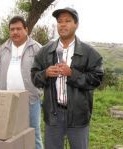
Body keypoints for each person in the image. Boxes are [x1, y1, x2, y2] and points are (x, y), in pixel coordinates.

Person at [31, 7, 104, 149]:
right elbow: (34, 77)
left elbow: (97, 79)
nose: (62, 24)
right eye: (59, 21)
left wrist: (72, 74)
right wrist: (45, 73)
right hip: (53, 114)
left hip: (78, 115)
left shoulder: (90, 53)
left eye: (67, 21)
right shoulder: (45, 51)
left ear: (76, 24)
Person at [0, 16, 43, 149]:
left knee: (34, 134)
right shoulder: (3, 49)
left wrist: (38, 91)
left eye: (18, 29)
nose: (15, 32)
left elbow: (44, 74)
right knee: (9, 134)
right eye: (12, 29)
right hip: (7, 100)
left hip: (31, 99)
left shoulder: (37, 48)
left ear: (26, 30)